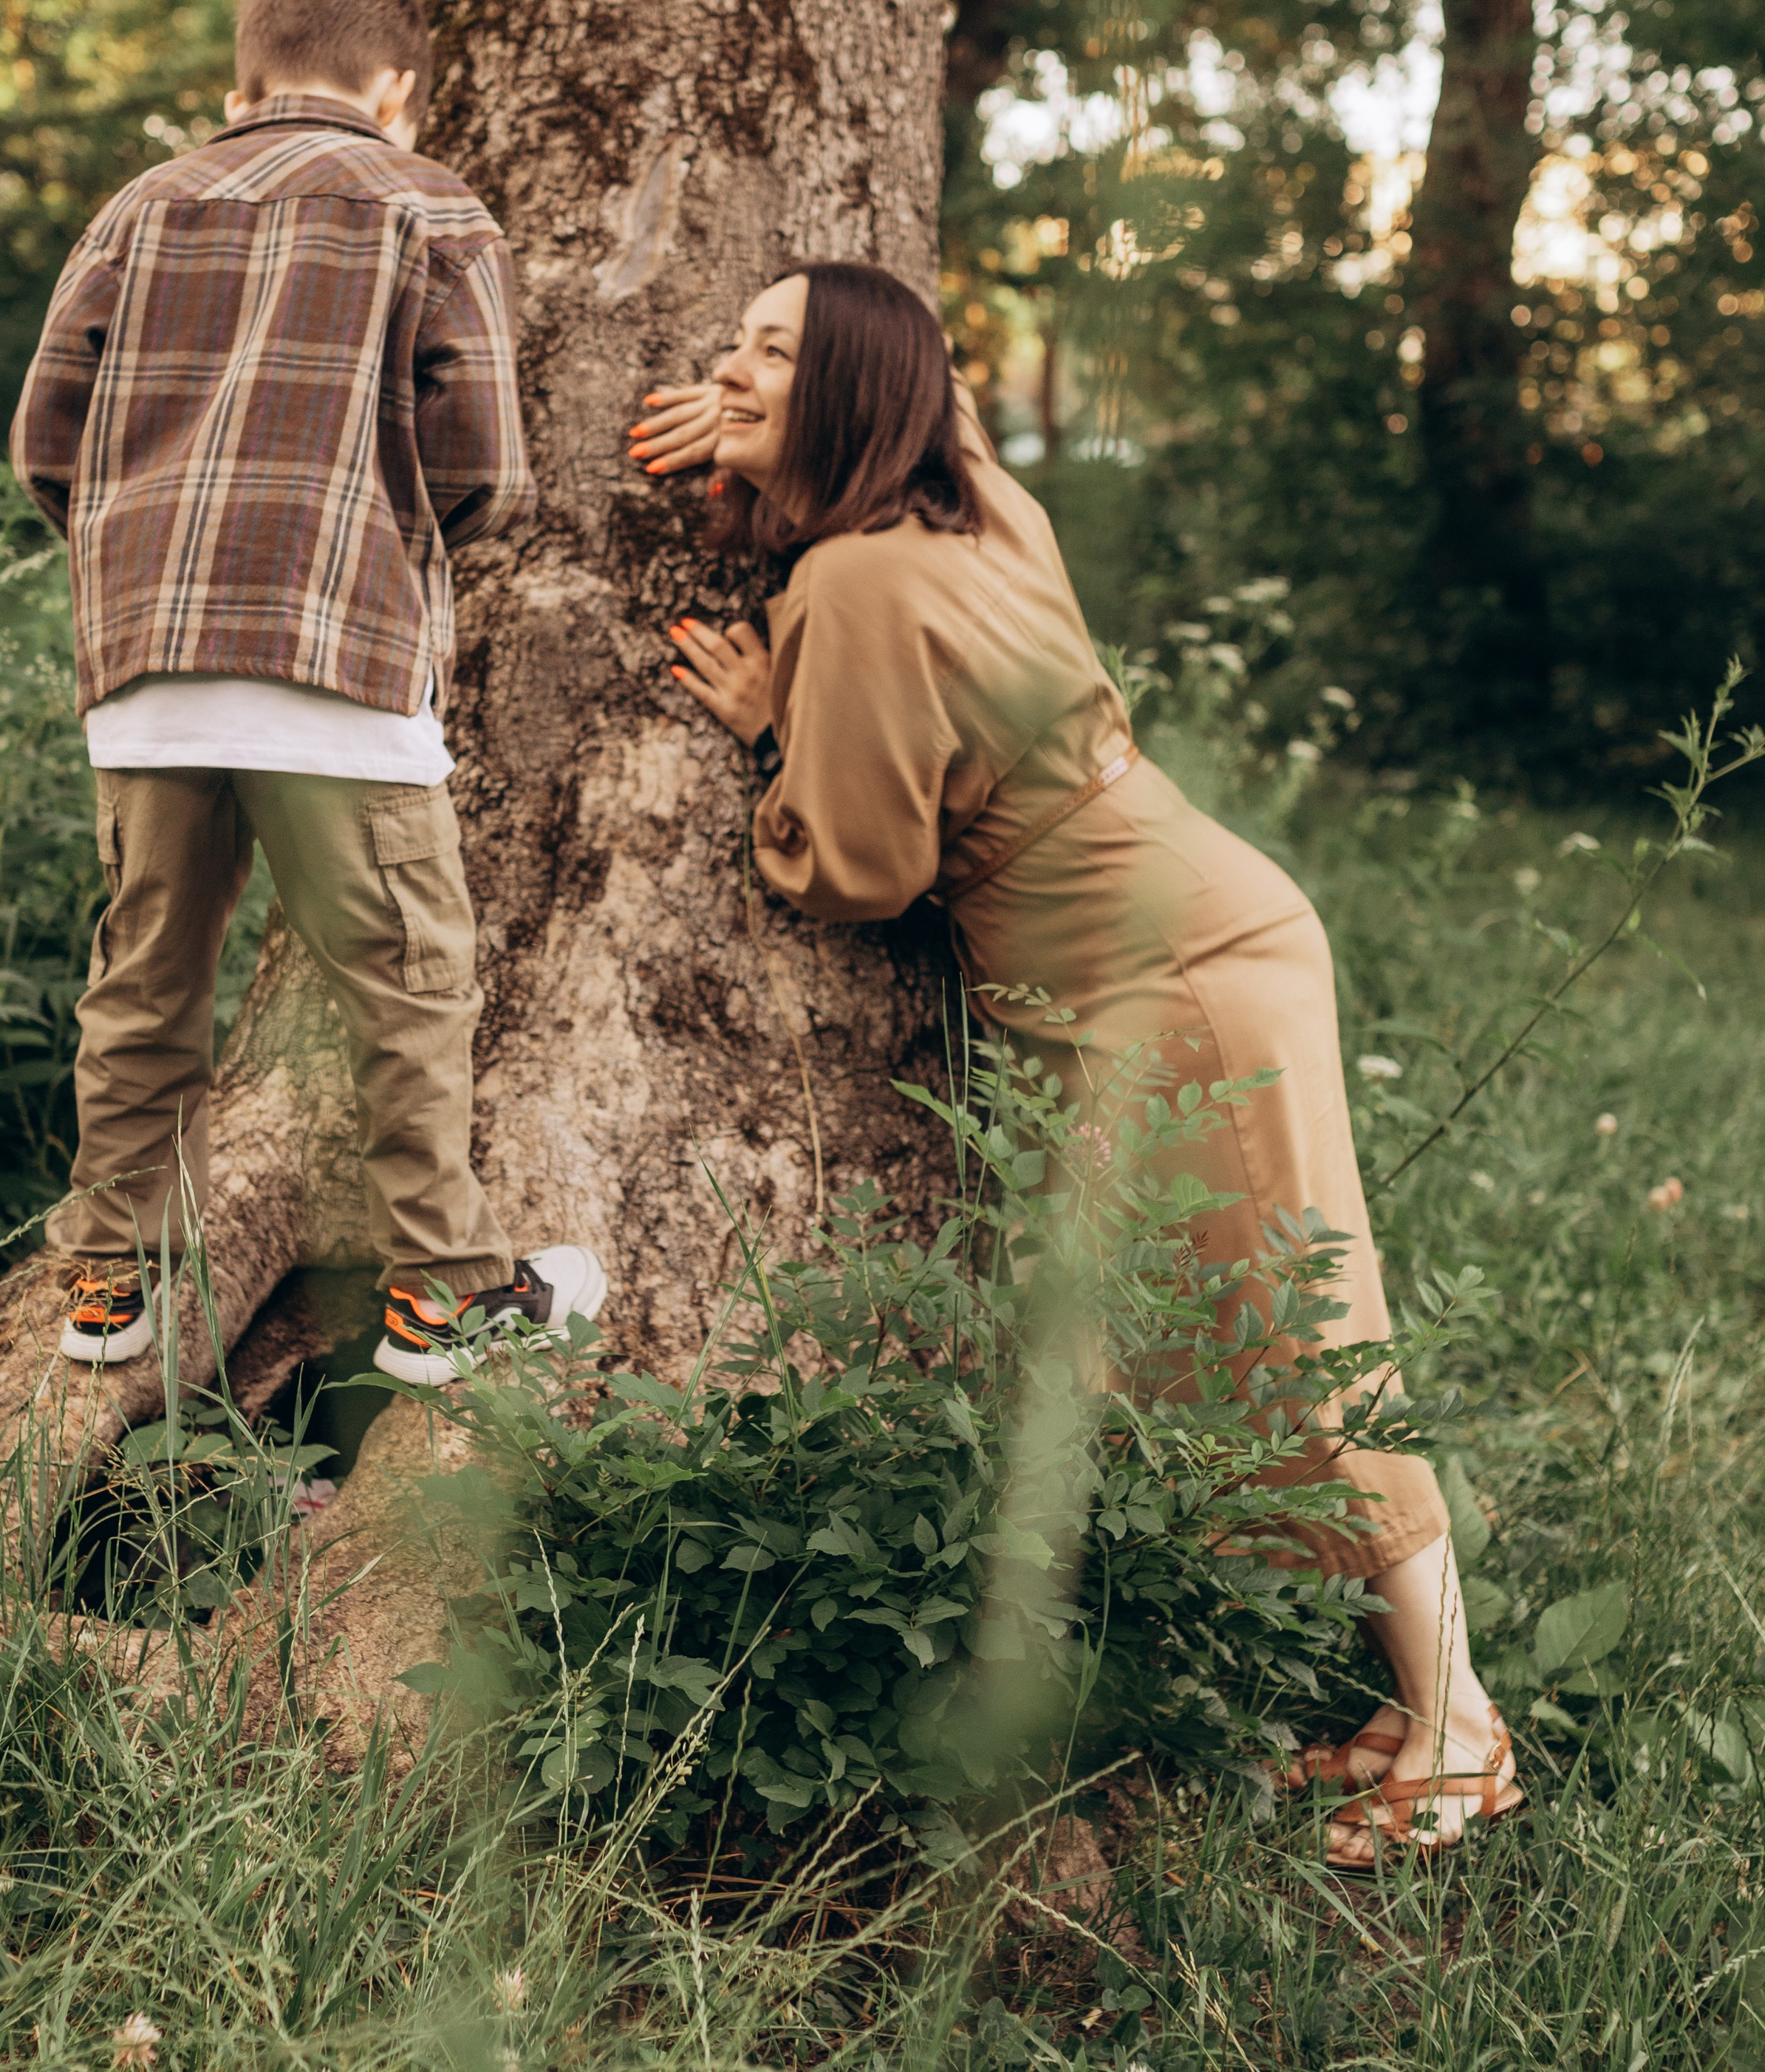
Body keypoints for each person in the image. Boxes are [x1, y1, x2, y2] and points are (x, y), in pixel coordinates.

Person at [629, 259, 1522, 1864]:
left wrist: (778, 726)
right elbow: (935, 410)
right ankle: (1408, 1691)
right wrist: (773, 411)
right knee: (1223, 1337)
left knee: (1290, 1333)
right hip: (1198, 931)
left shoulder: (848, 587)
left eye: (774, 353)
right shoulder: (976, 513)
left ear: (848, 396)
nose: (730, 370)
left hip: (1170, 977)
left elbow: (858, 869)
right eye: (728, 346)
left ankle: (1457, 1724)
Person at [11, 0, 603, 1389]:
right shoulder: (428, 204)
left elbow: (48, 437)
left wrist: (140, 570)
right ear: (396, 89)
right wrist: (395, 556)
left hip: (148, 676)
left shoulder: (137, 209)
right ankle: (442, 1296)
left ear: (241, 79)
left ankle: (105, 1286)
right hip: (335, 656)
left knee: (145, 978)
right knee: (409, 984)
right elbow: (481, 460)